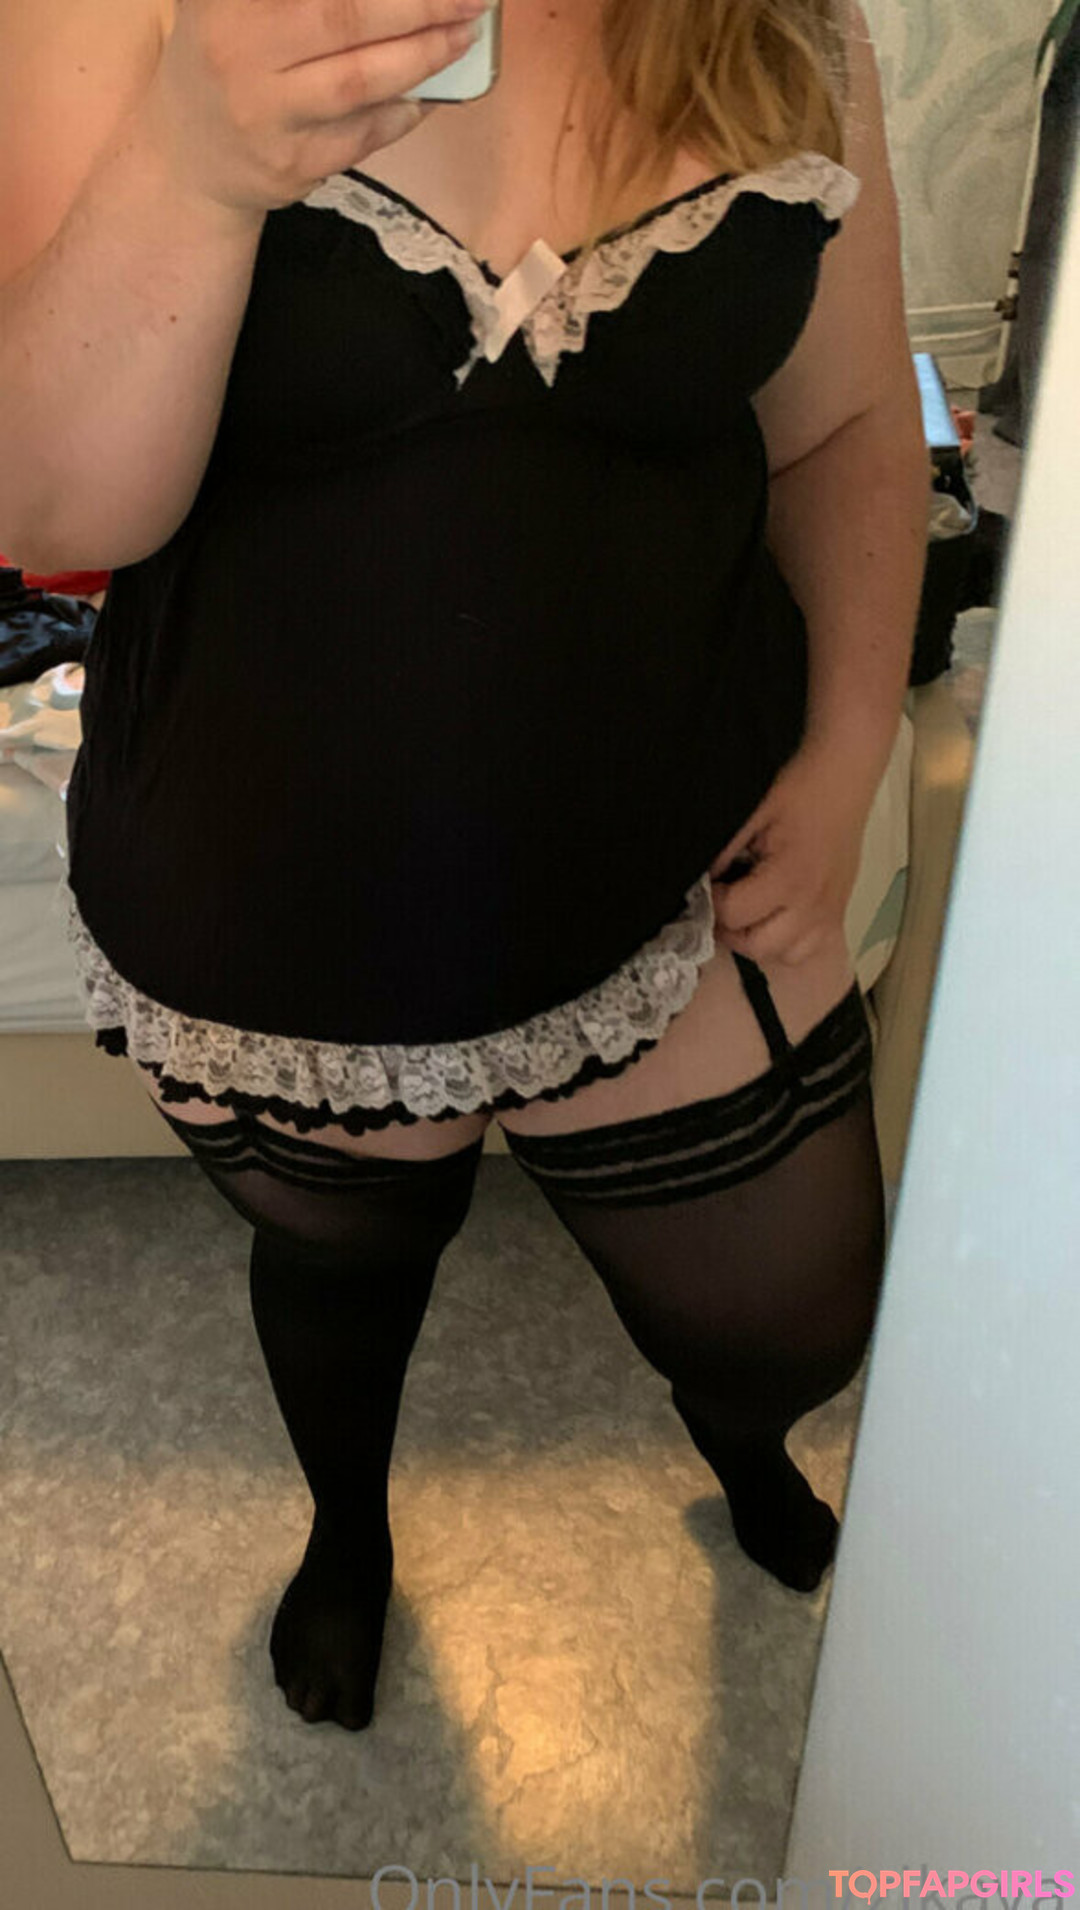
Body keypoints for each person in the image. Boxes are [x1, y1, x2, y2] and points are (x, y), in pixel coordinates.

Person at [0, 0, 928, 1732]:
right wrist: (195, 157)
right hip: (278, 887)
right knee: (344, 1278)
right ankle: (348, 1530)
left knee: (790, 1322)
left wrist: (852, 743)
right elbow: (54, 513)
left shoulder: (786, 22)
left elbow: (848, 423)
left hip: (685, 854)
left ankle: (742, 1438)